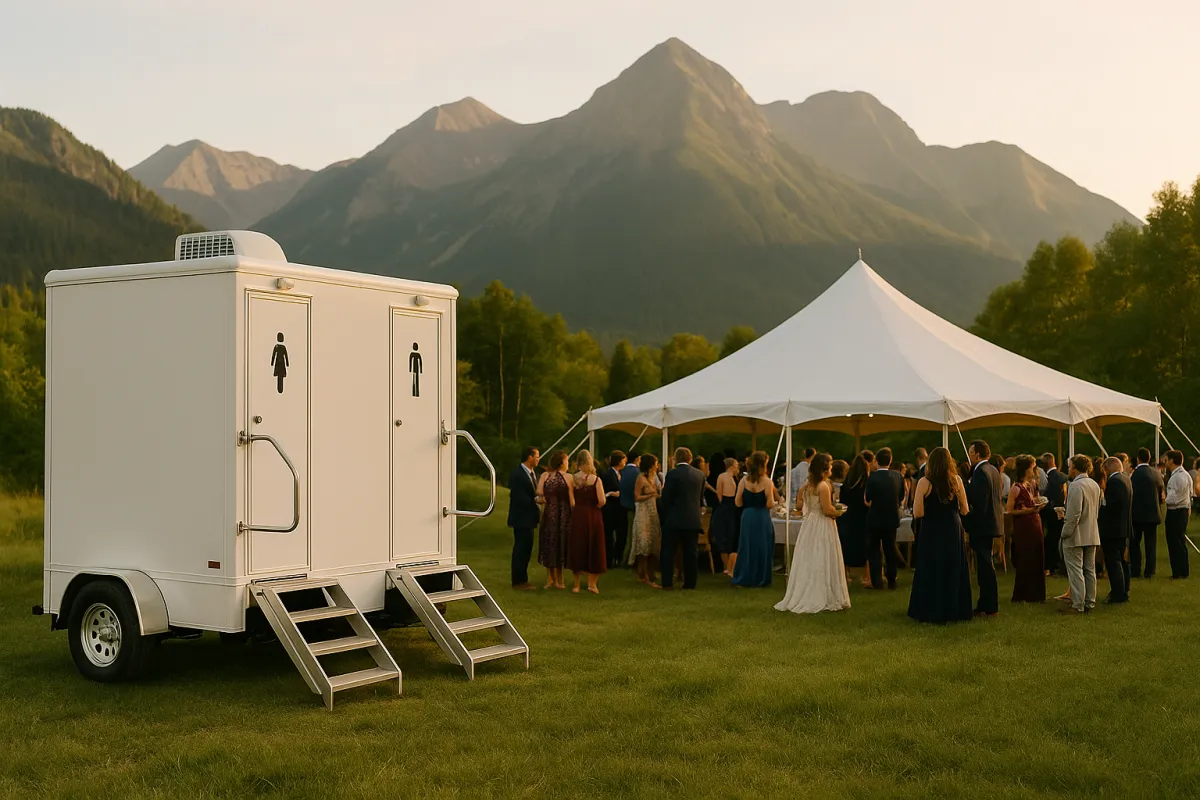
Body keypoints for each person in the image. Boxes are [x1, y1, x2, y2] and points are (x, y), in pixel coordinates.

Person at [776, 453, 851, 613]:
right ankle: (822, 594)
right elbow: (827, 510)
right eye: (830, 466)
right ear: (825, 469)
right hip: (822, 525)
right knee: (822, 555)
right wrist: (840, 512)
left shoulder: (808, 485)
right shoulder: (823, 486)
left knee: (810, 557)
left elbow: (800, 502)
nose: (831, 468)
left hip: (809, 524)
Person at [907, 446, 973, 623]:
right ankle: (955, 608)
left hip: (932, 529)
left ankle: (930, 609)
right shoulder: (956, 481)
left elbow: (918, 513)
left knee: (931, 567)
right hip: (952, 527)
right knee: (953, 566)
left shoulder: (924, 482)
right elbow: (965, 509)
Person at [964, 440, 1003, 617]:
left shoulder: (980, 472)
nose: (969, 456)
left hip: (982, 525)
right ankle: (986, 603)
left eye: (971, 453)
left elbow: (978, 500)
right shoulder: (993, 470)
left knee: (985, 567)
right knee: (986, 565)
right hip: (992, 523)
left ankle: (988, 605)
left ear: (977, 454)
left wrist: (964, 487)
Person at [1059, 454, 1101, 614]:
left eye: (1070, 466)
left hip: (1076, 534)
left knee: (1076, 570)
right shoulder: (1094, 484)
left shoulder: (1076, 486)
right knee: (1089, 570)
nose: (1068, 469)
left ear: (1075, 468)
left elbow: (1075, 514)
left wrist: (1065, 532)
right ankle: (1090, 601)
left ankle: (1078, 604)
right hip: (1091, 532)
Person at [660, 447, 707, 590]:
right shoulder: (700, 475)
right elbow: (700, 499)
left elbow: (666, 498)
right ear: (690, 459)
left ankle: (667, 582)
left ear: (676, 459)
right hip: (692, 518)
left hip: (674, 518)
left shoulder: (672, 475)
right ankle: (690, 582)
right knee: (691, 552)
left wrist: (664, 515)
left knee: (669, 551)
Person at [731, 451, 777, 588]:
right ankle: (760, 577)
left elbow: (737, 502)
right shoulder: (768, 482)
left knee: (747, 546)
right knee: (762, 546)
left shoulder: (743, 481)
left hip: (748, 516)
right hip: (761, 516)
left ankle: (745, 576)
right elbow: (770, 504)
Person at [864, 447, 905, 591]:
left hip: (875, 518)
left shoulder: (872, 478)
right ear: (890, 460)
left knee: (874, 551)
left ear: (876, 461)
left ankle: (877, 581)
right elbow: (901, 497)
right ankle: (892, 579)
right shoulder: (898, 476)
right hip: (891, 518)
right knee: (890, 549)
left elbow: (867, 498)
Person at [1006, 454, 1045, 602]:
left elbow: (1033, 501)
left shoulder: (1031, 485)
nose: (1033, 471)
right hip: (1023, 526)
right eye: (1031, 468)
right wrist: (1027, 511)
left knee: (1037, 556)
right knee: (1025, 558)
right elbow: (1009, 510)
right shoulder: (1016, 488)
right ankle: (1023, 594)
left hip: (1035, 523)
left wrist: (1037, 504)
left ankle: (1036, 593)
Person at [567, 450, 607, 594]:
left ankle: (576, 585)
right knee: (595, 546)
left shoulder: (573, 479)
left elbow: (571, 500)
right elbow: (602, 500)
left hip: (578, 514)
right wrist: (595, 506)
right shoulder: (596, 480)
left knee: (578, 546)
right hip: (593, 514)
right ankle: (592, 584)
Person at [536, 450, 574, 589]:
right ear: (562, 462)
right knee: (559, 543)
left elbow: (539, 491)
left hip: (550, 512)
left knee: (550, 542)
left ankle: (550, 578)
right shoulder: (569, 477)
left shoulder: (545, 475)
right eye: (567, 460)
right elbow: (571, 499)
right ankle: (559, 580)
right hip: (563, 513)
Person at [506, 446, 541, 591]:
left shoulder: (533, 474)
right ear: (530, 457)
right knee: (521, 549)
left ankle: (523, 578)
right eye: (537, 456)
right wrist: (536, 501)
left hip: (530, 518)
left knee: (527, 549)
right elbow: (519, 497)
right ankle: (518, 581)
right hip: (521, 518)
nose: (539, 459)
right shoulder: (518, 474)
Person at [1099, 456, 1133, 603]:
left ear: (1108, 468)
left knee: (1114, 562)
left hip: (1113, 528)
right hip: (1123, 527)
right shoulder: (1126, 479)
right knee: (1122, 561)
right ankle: (1124, 589)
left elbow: (1113, 505)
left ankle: (1118, 592)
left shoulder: (1115, 482)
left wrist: (1102, 504)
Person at [1130, 447, 1165, 579]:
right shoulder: (1156, 473)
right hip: (1153, 514)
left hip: (1137, 515)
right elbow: (1161, 491)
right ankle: (1150, 571)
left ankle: (1135, 569)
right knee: (1151, 544)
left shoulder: (1136, 474)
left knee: (1135, 543)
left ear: (1138, 458)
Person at [628, 454, 662, 587]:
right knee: (643, 542)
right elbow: (636, 497)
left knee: (653, 542)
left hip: (653, 512)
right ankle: (643, 574)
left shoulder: (654, 477)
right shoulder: (641, 478)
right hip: (643, 513)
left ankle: (651, 571)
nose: (657, 465)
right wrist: (650, 495)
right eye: (656, 463)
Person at [839, 452, 871, 586]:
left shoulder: (846, 484)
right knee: (867, 547)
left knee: (845, 546)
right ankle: (866, 576)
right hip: (863, 517)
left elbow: (842, 501)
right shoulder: (867, 483)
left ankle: (846, 575)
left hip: (848, 517)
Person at [1164, 449, 1192, 579]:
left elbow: (1172, 498)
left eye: (1167, 459)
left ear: (1171, 460)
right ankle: (1184, 570)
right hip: (1184, 510)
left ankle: (1177, 571)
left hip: (1175, 511)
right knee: (1181, 541)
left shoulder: (1176, 478)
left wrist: (1164, 497)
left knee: (1174, 541)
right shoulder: (1186, 475)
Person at [710, 458, 741, 577]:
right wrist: (723, 505)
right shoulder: (722, 476)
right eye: (736, 465)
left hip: (734, 506)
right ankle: (726, 565)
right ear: (732, 466)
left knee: (733, 535)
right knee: (723, 535)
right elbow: (719, 492)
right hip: (726, 506)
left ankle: (731, 566)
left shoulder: (738, 478)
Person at [1040, 453, 1068, 576]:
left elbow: (1050, 497)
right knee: (1056, 539)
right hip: (1062, 511)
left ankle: (1050, 566)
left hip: (1053, 513)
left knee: (1051, 540)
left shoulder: (1051, 478)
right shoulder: (1062, 476)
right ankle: (1057, 564)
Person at [601, 451, 627, 570]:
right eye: (623, 460)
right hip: (610, 509)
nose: (625, 462)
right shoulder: (607, 474)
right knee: (609, 535)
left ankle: (618, 557)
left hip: (620, 509)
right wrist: (610, 494)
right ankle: (608, 559)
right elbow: (603, 492)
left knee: (621, 534)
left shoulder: (621, 473)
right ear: (618, 461)